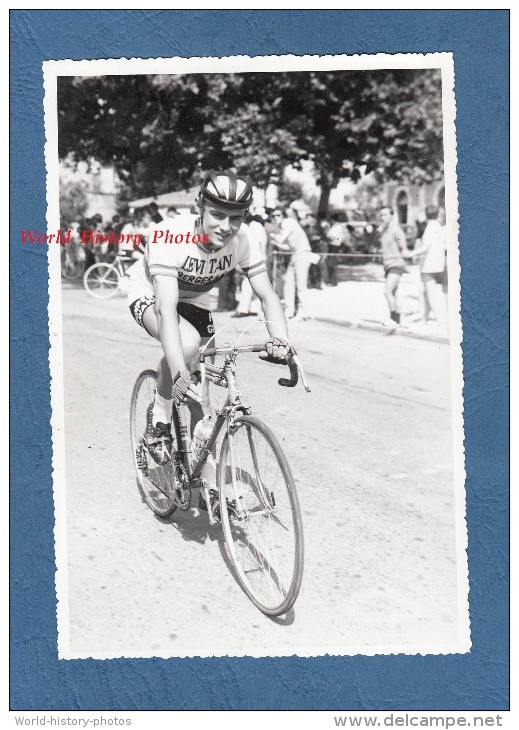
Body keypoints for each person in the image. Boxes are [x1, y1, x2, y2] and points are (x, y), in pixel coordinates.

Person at [126, 170, 291, 494]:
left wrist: (282, 342)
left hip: (196, 298)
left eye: (235, 218)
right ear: (200, 206)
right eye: (217, 214)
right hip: (151, 292)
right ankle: (159, 418)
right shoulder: (168, 235)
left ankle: (206, 478)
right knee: (185, 350)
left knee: (201, 394)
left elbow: (267, 295)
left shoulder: (244, 240)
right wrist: (177, 369)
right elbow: (166, 307)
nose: (225, 227)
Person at [270, 207, 312, 322]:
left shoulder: (289, 222)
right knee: (288, 285)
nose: (275, 218)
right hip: (295, 255)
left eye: (278, 215)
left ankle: (302, 314)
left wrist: (272, 236)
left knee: (301, 286)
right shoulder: (283, 226)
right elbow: (288, 246)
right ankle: (289, 312)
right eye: (273, 216)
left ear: (283, 216)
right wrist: (275, 240)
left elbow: (281, 239)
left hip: (303, 255)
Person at [410, 204, 448, 328]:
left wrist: (412, 253)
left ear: (426, 215)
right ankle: (424, 319)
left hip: (429, 265)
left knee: (431, 295)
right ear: (438, 215)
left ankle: (441, 323)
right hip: (440, 264)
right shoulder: (440, 227)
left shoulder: (429, 228)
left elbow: (426, 246)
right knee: (427, 293)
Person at [378, 206, 412, 326]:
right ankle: (397, 320)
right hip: (388, 264)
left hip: (396, 264)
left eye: (386, 214)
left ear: (392, 215)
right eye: (381, 215)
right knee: (393, 293)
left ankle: (394, 319)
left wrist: (408, 256)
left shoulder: (396, 230)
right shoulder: (383, 230)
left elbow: (403, 247)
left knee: (387, 291)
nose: (383, 217)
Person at [232, 213, 268, 317]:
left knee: (247, 284)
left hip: (256, 258)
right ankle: (254, 308)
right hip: (257, 257)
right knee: (254, 284)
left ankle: (243, 309)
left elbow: (257, 243)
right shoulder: (254, 226)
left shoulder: (255, 226)